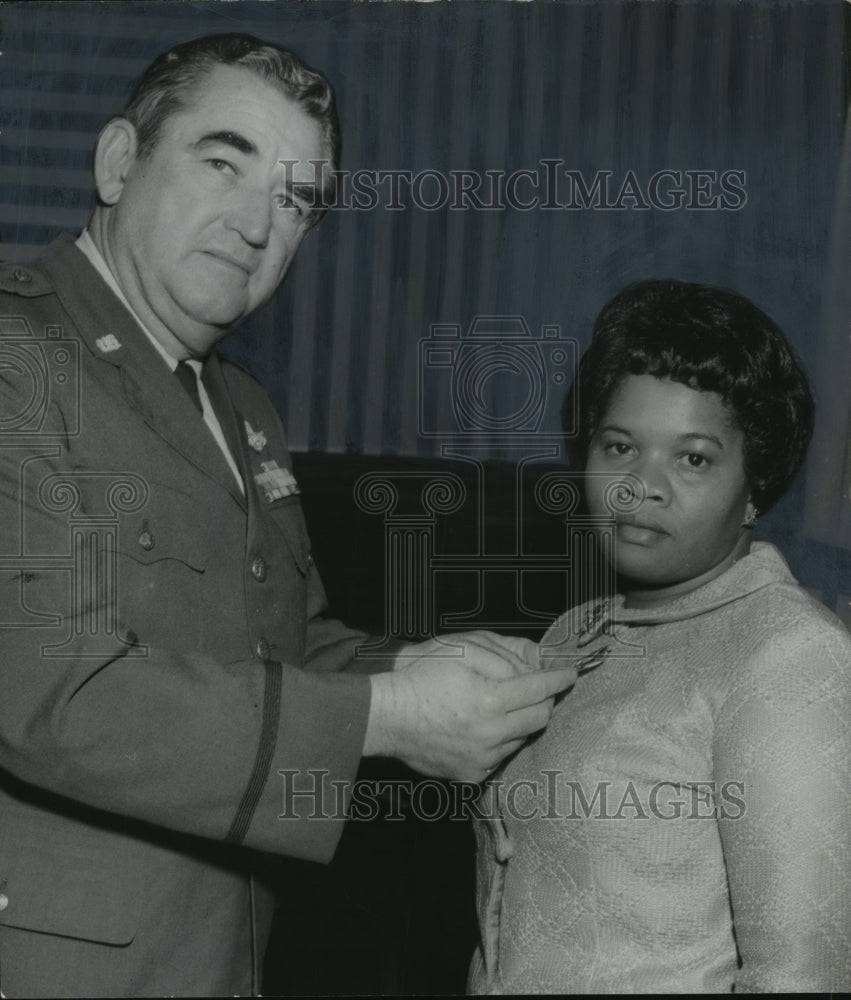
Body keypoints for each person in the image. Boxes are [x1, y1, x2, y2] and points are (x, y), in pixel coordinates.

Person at [0, 33, 576, 999]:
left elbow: (286, 644)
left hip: (220, 956)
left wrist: (429, 669)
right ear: (117, 161)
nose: (255, 223)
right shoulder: (23, 358)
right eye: (223, 161)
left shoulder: (240, 408)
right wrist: (388, 715)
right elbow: (50, 691)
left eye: (296, 199)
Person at [470, 280, 851, 993]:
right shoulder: (575, 631)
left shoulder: (789, 655)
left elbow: (804, 975)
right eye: (619, 446)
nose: (639, 486)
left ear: (756, 486)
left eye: (693, 459)